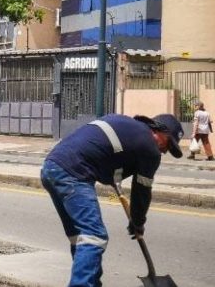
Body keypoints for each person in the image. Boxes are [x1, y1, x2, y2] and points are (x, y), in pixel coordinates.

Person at [41, 113, 183, 287]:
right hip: (73, 173)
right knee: (94, 236)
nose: (165, 150)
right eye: (168, 143)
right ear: (158, 130)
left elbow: (102, 156)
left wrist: (115, 179)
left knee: (79, 237)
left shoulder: (128, 127)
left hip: (51, 167)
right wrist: (138, 222)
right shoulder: (150, 148)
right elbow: (142, 191)